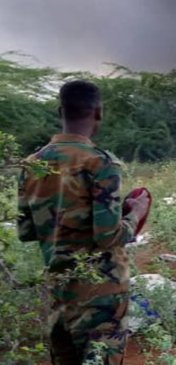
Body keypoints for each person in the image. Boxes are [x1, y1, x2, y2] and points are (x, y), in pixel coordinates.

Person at [17, 80, 150, 364]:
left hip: (59, 291)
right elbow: (106, 236)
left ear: (60, 111)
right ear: (98, 113)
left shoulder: (32, 164)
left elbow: (26, 231)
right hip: (100, 296)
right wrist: (135, 214)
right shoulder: (100, 164)